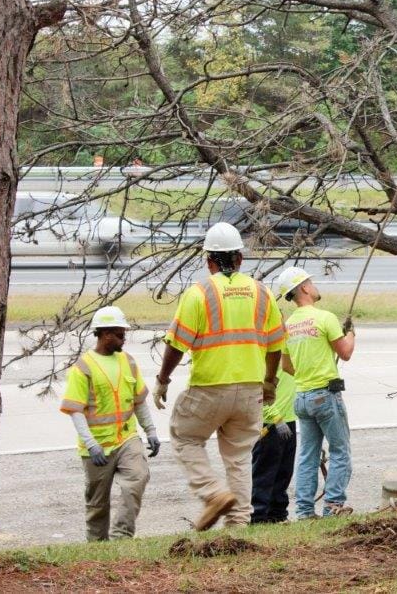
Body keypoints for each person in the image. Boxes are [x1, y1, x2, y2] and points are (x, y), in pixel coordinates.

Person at [153, 222, 285, 530]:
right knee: (239, 458)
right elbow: (276, 343)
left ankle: (213, 494)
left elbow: (177, 344)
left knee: (185, 436)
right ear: (240, 258)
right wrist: (269, 383)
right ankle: (238, 526)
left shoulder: (199, 293)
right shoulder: (262, 293)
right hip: (251, 390)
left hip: (210, 387)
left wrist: (163, 379)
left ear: (208, 260)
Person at [59, 306, 160, 542]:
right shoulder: (83, 367)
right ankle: (97, 549)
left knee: (137, 478)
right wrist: (91, 444)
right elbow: (75, 410)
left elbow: (139, 402)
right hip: (97, 446)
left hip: (126, 438)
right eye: (120, 334)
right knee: (97, 504)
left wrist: (151, 431)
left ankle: (121, 536)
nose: (124, 339)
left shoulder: (128, 362)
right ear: (105, 335)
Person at [275, 267, 355, 518]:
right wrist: (351, 333)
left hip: (302, 398)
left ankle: (304, 511)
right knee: (340, 451)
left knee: (307, 456)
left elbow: (286, 366)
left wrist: (307, 367)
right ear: (305, 288)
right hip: (326, 396)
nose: (315, 285)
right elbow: (346, 353)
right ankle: (333, 506)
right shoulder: (325, 318)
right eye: (311, 282)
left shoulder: (288, 325)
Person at [250, 364, 297, 524]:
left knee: (284, 471)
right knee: (265, 472)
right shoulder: (266, 355)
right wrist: (275, 417)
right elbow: (257, 393)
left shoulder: (286, 350)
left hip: (288, 419)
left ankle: (277, 514)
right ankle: (258, 516)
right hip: (270, 423)